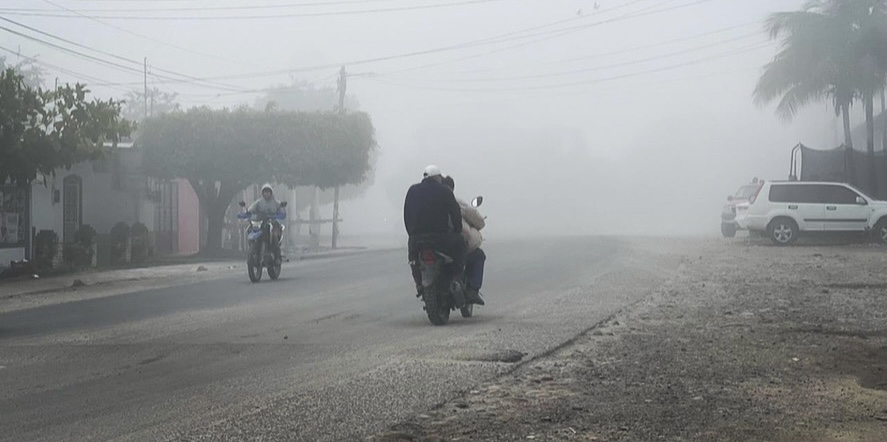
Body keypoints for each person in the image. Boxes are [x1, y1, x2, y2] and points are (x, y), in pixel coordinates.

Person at [403, 165, 466, 304]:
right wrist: (457, 231)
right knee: (461, 245)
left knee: (413, 259)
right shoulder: (445, 191)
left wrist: (412, 234)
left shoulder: (412, 190)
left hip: (416, 240)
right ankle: (456, 279)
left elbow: (407, 215)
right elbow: (455, 214)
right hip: (440, 239)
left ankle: (418, 282)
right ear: (437, 177)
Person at [442, 175, 486, 306]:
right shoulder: (456, 202)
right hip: (454, 245)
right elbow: (476, 218)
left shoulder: (428, 203)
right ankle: (473, 290)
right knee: (478, 255)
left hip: (431, 244)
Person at [247, 183, 286, 263]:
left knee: (274, 237)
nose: (266, 194)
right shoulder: (259, 202)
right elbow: (251, 209)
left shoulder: (276, 203)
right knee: (251, 231)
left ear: (271, 193)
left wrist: (279, 214)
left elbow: (281, 211)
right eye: (265, 192)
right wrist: (247, 213)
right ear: (262, 193)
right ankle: (255, 253)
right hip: (261, 224)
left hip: (273, 224)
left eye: (268, 192)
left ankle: (277, 257)